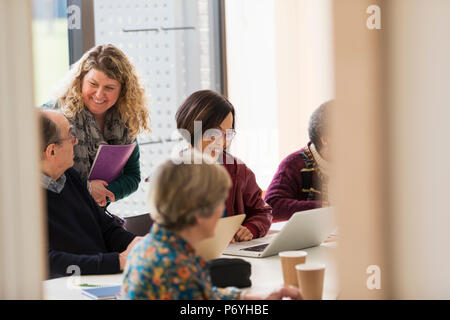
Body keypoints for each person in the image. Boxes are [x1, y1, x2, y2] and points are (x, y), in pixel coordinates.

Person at [122, 152, 301, 300]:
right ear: (200, 212)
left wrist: (258, 298)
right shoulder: (175, 268)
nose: (223, 209)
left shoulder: (150, 247)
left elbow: (205, 294)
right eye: (219, 202)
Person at [43, 44, 150, 207]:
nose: (99, 94)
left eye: (109, 88)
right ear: (80, 81)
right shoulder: (54, 115)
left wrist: (102, 194)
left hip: (93, 214)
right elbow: (40, 176)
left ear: (123, 90)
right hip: (59, 212)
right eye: (93, 84)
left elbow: (132, 177)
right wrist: (87, 188)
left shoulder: (124, 119)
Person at [39, 110, 142, 279]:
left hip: (102, 280)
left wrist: (139, 245)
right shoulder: (21, 199)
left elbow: (106, 228)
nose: (76, 141)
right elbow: (49, 261)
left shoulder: (70, 176)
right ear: (52, 151)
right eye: (70, 136)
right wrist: (119, 261)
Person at [175, 90, 272, 242]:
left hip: (234, 254)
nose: (222, 142)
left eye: (228, 134)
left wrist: (251, 229)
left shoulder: (238, 170)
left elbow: (262, 212)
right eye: (215, 133)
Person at [264, 101, 332, 222]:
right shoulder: (293, 164)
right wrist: (322, 207)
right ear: (326, 139)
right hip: (308, 238)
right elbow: (272, 205)